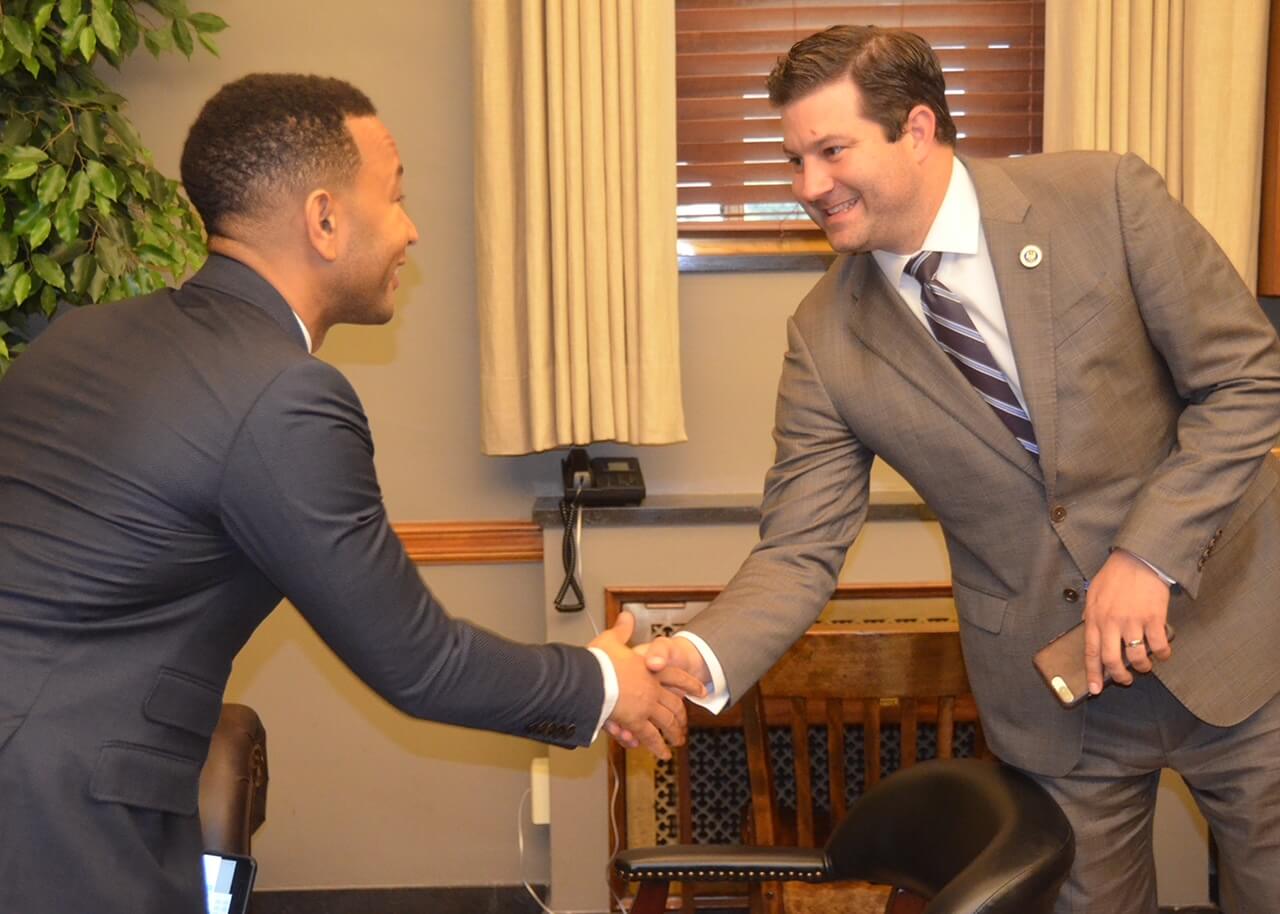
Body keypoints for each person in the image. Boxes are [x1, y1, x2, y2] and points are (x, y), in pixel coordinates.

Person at [0, 74, 699, 914]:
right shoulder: (284, 395)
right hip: (53, 826)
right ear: (325, 220)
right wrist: (605, 683)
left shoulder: (81, 335)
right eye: (395, 197)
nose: (411, 229)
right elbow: (419, 661)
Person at [635, 25, 1280, 913]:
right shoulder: (825, 339)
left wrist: (1151, 554)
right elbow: (797, 550)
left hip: (1241, 643)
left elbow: (1246, 378)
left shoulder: (1105, 198)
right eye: (793, 161)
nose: (807, 188)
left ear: (918, 128)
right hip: (1060, 709)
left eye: (830, 151)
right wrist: (697, 654)